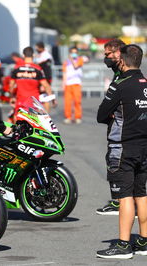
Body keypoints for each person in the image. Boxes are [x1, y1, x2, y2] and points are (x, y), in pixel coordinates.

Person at [96, 44, 147, 259]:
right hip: (144, 147)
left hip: (123, 147)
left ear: (123, 61)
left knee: (125, 196)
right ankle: (144, 241)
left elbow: (101, 115)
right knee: (142, 193)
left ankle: (124, 245)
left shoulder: (120, 84)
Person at [96, 39, 126, 216]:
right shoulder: (117, 73)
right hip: (114, 126)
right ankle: (120, 199)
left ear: (118, 53)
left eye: (108, 54)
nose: (105, 57)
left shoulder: (124, 75)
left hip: (121, 131)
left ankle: (118, 201)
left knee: (116, 163)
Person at [10, 46, 55, 121]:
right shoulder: (37, 68)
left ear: (23, 55)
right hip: (33, 101)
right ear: (33, 55)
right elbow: (46, 85)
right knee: (33, 123)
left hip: (21, 99)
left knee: (18, 120)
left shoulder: (17, 68)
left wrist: (12, 96)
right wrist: (52, 98)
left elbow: (11, 85)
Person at [62, 46, 84, 124]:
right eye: (72, 52)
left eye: (75, 52)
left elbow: (75, 66)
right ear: (70, 53)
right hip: (68, 84)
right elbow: (64, 73)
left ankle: (77, 117)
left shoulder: (80, 60)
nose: (74, 54)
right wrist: (63, 84)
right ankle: (68, 117)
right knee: (67, 102)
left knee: (77, 101)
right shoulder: (66, 62)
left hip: (76, 83)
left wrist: (72, 60)